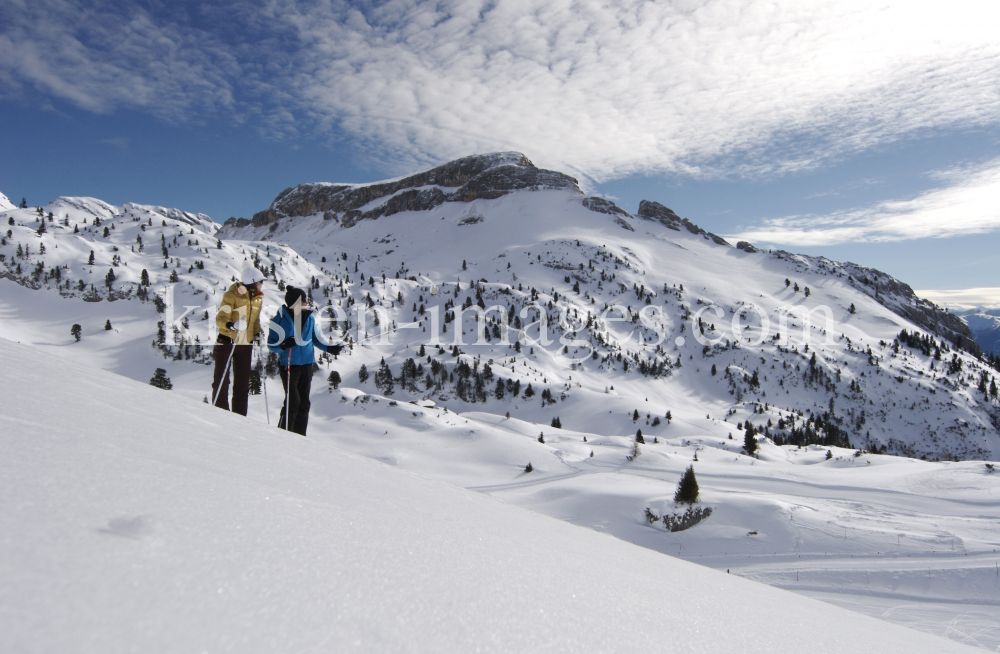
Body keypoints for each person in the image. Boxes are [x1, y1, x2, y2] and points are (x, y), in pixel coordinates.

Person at [268, 285, 342, 435]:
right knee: (292, 401)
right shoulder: (279, 320)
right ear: (295, 302)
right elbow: (271, 344)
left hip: (307, 365)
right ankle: (283, 433)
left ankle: (299, 436)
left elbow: (315, 339)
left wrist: (330, 348)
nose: (306, 303)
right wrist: (283, 345)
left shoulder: (309, 318)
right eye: (303, 301)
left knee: (304, 403)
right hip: (289, 365)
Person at [212, 267, 266, 415]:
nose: (262, 284)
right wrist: (231, 325)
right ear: (253, 282)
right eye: (261, 281)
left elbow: (255, 321)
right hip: (227, 341)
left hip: (245, 344)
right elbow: (221, 318)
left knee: (242, 385)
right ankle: (220, 414)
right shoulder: (231, 295)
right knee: (222, 382)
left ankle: (240, 419)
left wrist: (257, 334)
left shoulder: (258, 298)